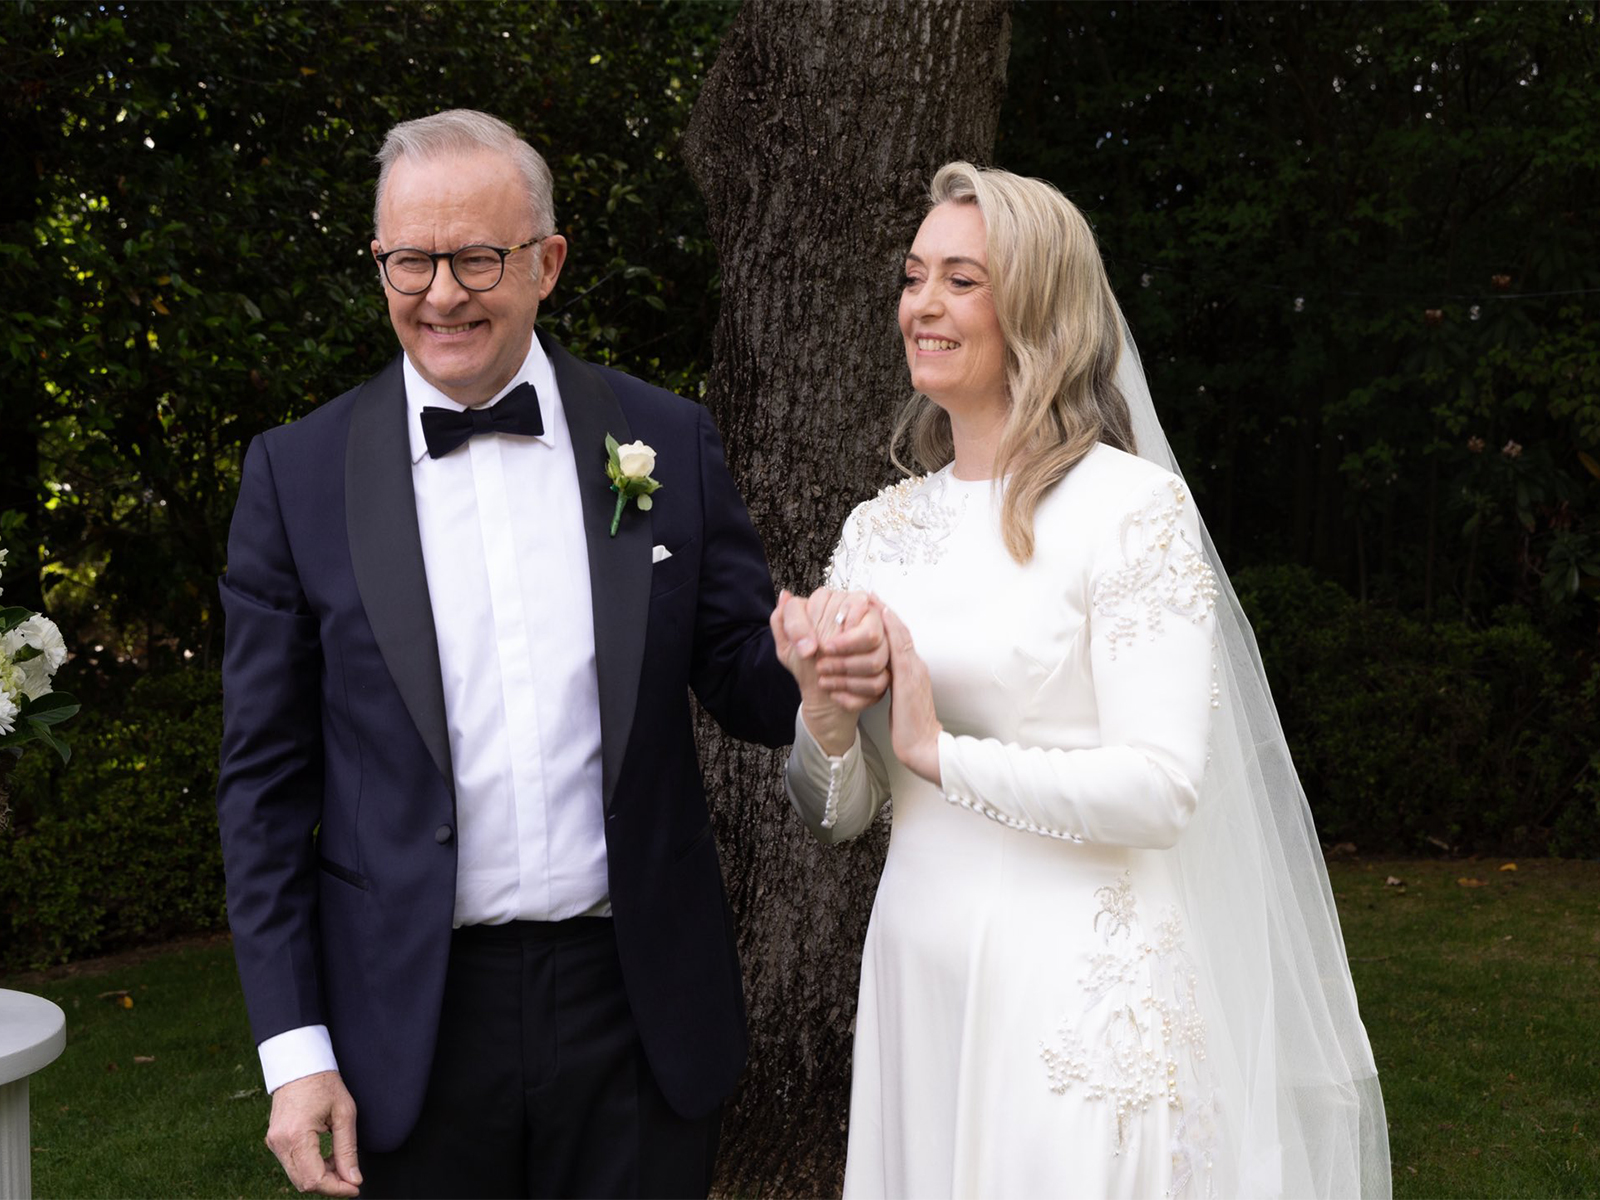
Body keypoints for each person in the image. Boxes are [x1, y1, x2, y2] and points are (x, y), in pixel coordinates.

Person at [215, 109, 822, 1199]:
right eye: (410, 259)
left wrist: (815, 669)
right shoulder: (295, 477)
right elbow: (261, 788)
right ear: (379, 262)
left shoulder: (659, 439)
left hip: (635, 1008)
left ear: (547, 263)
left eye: (477, 258)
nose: (441, 292)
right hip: (405, 1020)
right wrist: (295, 1052)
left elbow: (742, 675)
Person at [773, 163, 1392, 1198]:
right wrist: (826, 716)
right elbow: (842, 815)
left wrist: (937, 751)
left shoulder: (1128, 512)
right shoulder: (876, 531)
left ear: (1040, 306)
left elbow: (1158, 792)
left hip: (1073, 987)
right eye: (915, 275)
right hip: (920, 975)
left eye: (961, 280)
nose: (922, 304)